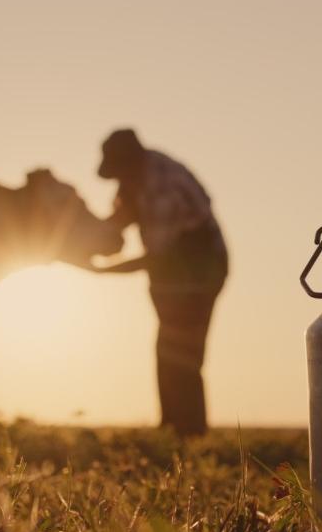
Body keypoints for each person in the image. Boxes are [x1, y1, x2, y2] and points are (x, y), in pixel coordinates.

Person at [88, 129, 227, 437]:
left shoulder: (162, 184)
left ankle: (189, 433)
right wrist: (86, 240)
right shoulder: (134, 182)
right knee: (167, 348)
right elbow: (118, 221)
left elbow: (156, 257)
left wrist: (102, 270)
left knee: (182, 351)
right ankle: (171, 429)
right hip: (172, 275)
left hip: (198, 272)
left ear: (130, 163)